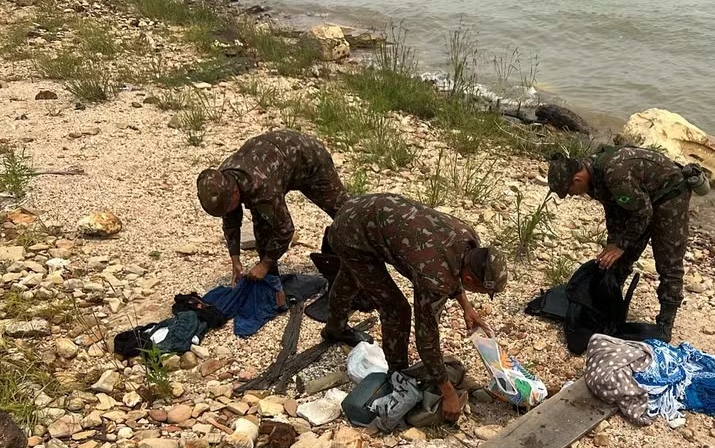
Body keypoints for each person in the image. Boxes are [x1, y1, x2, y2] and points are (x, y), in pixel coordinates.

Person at [320, 193, 508, 421]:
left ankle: (334, 327)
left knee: (351, 276)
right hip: (351, 235)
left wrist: (466, 306)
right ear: (469, 280)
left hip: (365, 210)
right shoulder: (434, 279)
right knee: (396, 310)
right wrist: (448, 393)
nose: (480, 294)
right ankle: (398, 375)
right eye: (482, 290)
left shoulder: (468, 239)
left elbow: (455, 269)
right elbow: (426, 340)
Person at [547, 145, 710, 343]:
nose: (572, 195)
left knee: (669, 263)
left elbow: (643, 213)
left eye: (570, 191)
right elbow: (614, 209)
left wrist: (620, 244)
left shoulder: (615, 174)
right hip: (641, 199)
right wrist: (614, 243)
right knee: (617, 255)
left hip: (669, 194)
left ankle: (665, 325)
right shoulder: (592, 175)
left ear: (577, 179)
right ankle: (610, 302)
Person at [196, 129, 350, 283]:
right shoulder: (221, 180)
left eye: (227, 207)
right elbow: (231, 219)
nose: (227, 212)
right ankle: (272, 284)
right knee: (263, 231)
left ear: (235, 192)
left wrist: (264, 265)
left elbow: (285, 229)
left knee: (345, 214)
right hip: (277, 161)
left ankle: (361, 263)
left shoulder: (261, 185)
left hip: (310, 159)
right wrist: (235, 258)